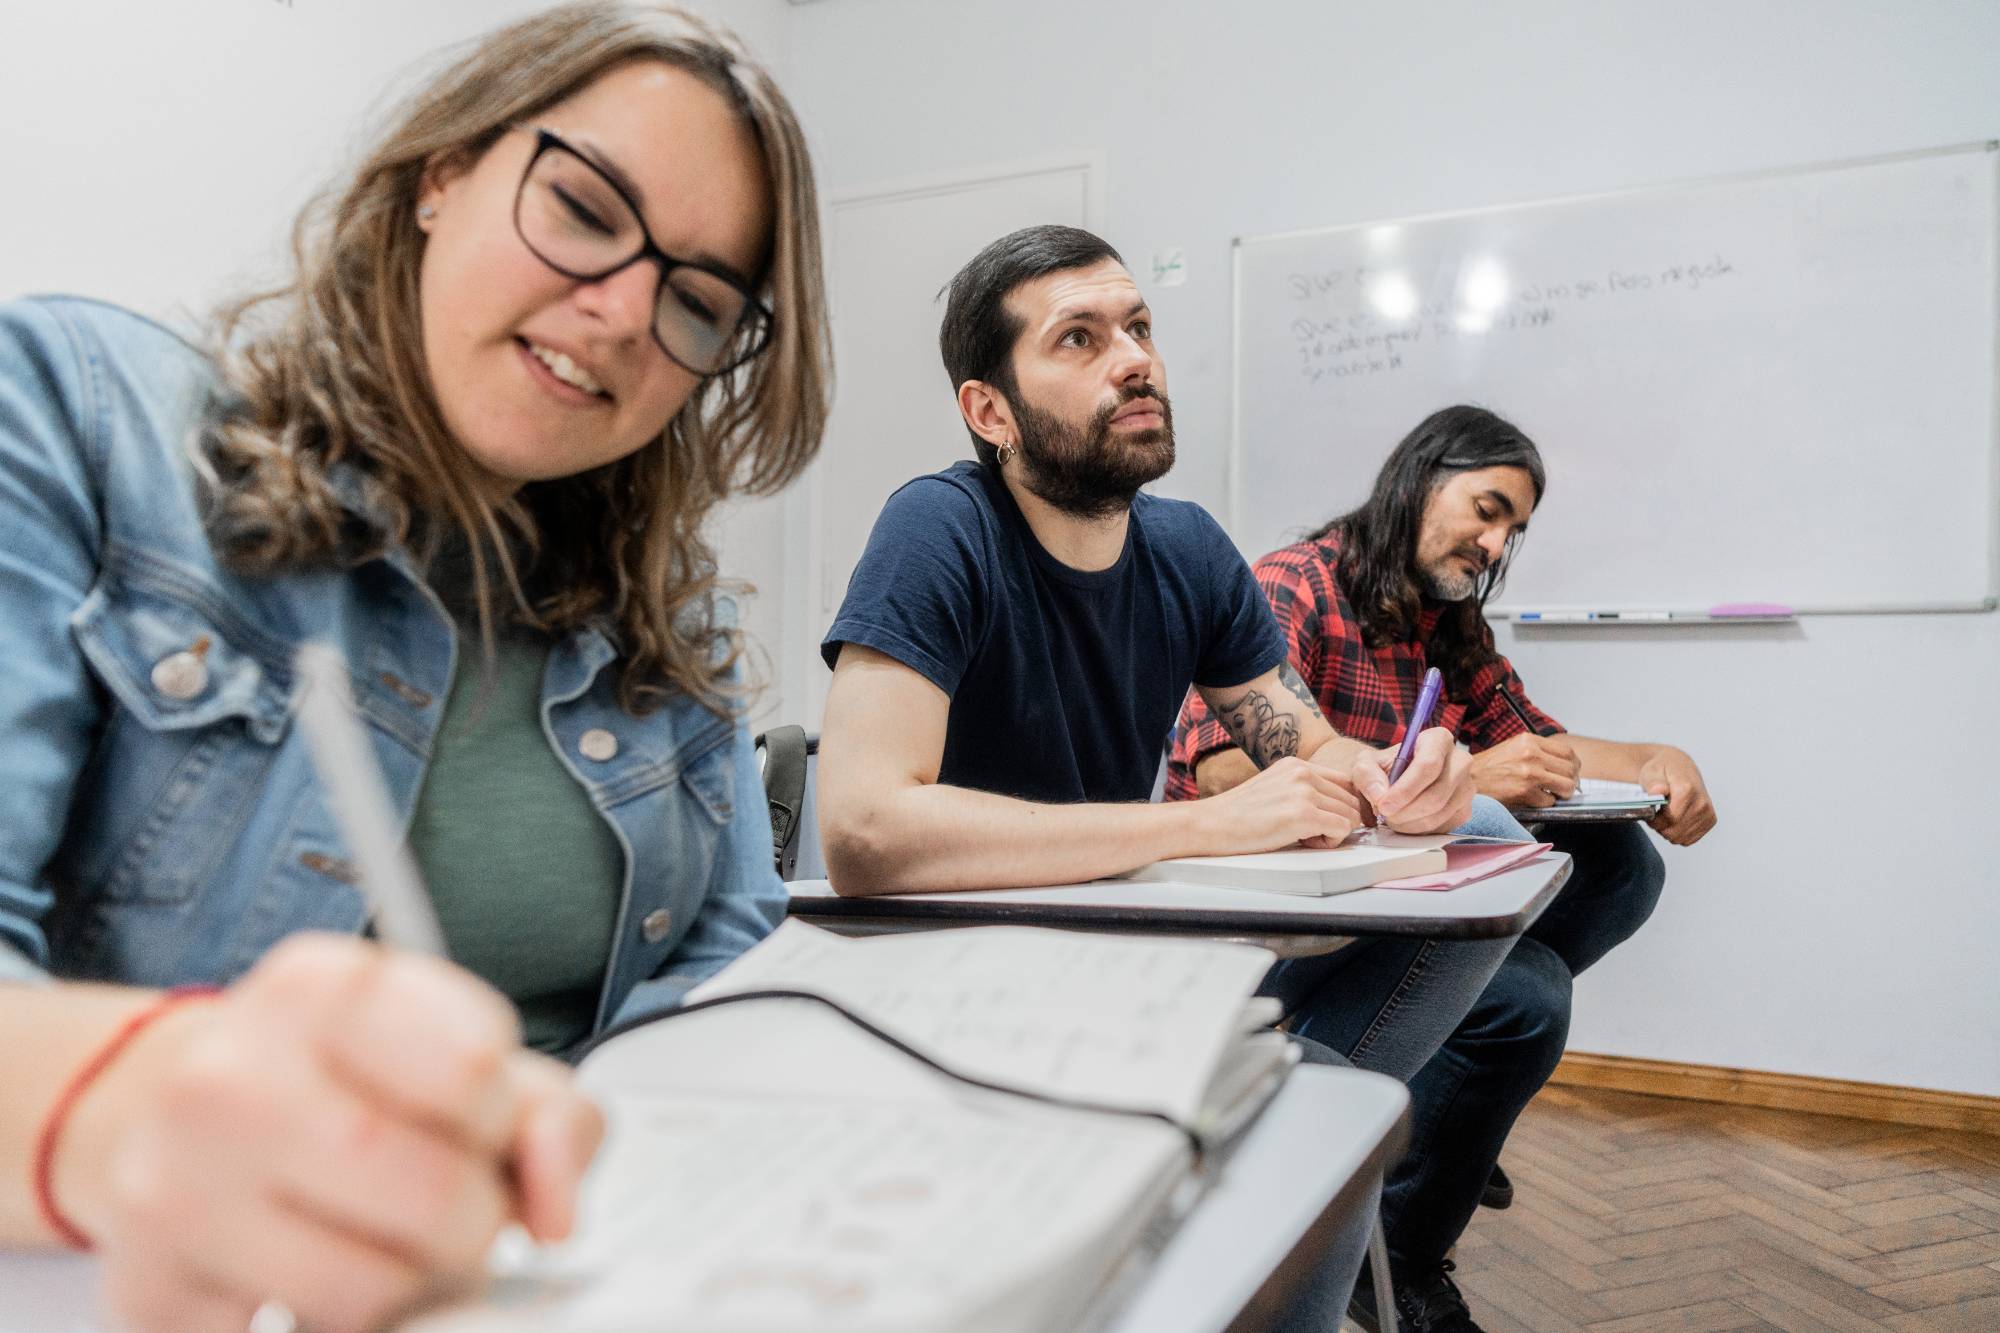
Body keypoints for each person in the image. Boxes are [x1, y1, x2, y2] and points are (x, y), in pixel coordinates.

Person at [0, 7, 831, 1331]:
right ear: (443, 174)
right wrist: (126, 1107)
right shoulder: (85, 420)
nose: (622, 311)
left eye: (696, 301)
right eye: (580, 205)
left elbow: (723, 969)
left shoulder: (672, 627)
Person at [815, 223, 1536, 1330]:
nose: (1134, 358)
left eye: (1139, 328)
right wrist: (1197, 829)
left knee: (1477, 828)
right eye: (1080, 338)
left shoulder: (1187, 547)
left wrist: (1404, 776)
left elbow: (1304, 740)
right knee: (1317, 1137)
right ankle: (1260, 1135)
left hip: (1132, 958)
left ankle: (1260, 1122)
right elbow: (864, 830)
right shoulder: (938, 529)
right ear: (989, 412)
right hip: (964, 989)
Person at [1167, 404, 1717, 1332]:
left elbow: (1537, 742)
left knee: (1622, 864)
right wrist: (1448, 773)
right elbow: (1214, 763)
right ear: (1421, 478)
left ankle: (1447, 1105)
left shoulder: (1448, 622)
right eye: (1488, 508)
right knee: (1531, 996)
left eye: (1516, 530)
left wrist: (1655, 756)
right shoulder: (1292, 584)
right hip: (1279, 917)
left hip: (1396, 903)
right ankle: (1411, 1230)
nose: (1497, 543)